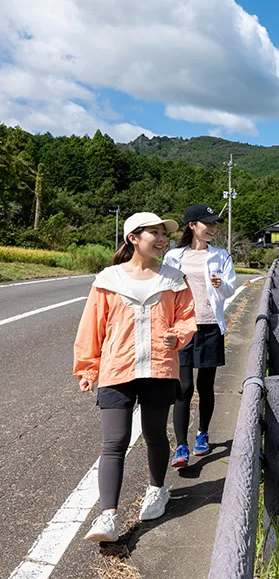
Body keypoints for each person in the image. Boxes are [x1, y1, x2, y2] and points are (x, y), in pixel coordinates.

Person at [75, 212, 197, 543]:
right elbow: (92, 327)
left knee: (155, 433)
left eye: (164, 234)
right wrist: (87, 368)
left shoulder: (174, 278)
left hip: (159, 368)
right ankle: (108, 516)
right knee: (114, 441)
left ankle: (158, 489)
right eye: (154, 233)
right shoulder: (108, 279)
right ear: (134, 238)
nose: (162, 239)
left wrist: (179, 335)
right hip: (118, 369)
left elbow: (187, 319)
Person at [162, 204, 237, 468]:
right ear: (192, 225)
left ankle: (202, 434)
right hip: (183, 327)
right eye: (208, 224)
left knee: (205, 386)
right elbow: (165, 290)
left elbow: (230, 290)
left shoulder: (221, 256)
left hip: (209, 327)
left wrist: (221, 285)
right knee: (183, 387)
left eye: (215, 224)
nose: (213, 228)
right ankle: (181, 446)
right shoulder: (173, 257)